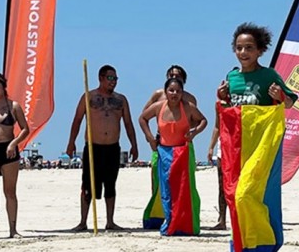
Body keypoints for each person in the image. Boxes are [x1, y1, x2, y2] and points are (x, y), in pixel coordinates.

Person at [216, 22, 298, 252]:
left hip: (261, 147)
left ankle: (266, 239)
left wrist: (279, 97)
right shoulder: (231, 77)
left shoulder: (269, 75)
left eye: (249, 48)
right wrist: (222, 97)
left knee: (246, 194)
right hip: (236, 148)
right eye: (239, 48)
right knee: (233, 196)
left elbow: (291, 103)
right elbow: (231, 110)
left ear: (260, 50)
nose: (243, 53)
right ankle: (247, 243)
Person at [66, 65, 138, 231]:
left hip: (112, 147)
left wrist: (134, 144)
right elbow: (77, 120)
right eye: (110, 78)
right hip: (93, 148)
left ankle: (110, 221)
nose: (113, 82)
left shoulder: (121, 100)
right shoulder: (89, 96)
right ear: (101, 78)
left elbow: (128, 123)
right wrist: (71, 142)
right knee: (87, 185)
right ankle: (83, 221)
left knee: (111, 184)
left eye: (115, 79)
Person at [139, 78, 207, 236]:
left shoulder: (188, 108)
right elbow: (142, 118)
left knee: (184, 191)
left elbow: (203, 120)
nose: (174, 94)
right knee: (167, 192)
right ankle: (170, 223)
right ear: (166, 92)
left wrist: (195, 131)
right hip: (164, 153)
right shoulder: (158, 107)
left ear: (182, 92)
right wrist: (150, 138)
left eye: (178, 91)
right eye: (171, 90)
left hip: (182, 154)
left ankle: (187, 225)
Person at [0, 72, 30, 238]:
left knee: (10, 191)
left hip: (8, 150)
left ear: (3, 86)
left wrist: (13, 143)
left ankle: (12, 229)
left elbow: (25, 129)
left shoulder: (13, 106)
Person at [206, 103, 226, 230]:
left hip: (240, 146)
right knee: (222, 186)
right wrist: (211, 147)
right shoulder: (220, 104)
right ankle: (222, 219)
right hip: (223, 148)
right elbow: (217, 126)